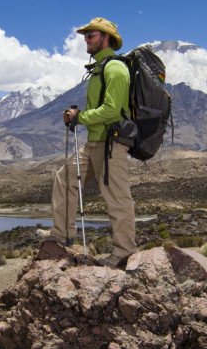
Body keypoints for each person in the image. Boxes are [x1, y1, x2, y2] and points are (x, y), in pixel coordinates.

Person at [37, 17, 136, 268]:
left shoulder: (115, 69)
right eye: (86, 35)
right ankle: (62, 233)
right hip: (94, 143)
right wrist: (79, 117)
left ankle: (124, 252)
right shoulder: (99, 70)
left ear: (105, 38)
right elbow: (101, 109)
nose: (86, 39)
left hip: (110, 145)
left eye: (90, 35)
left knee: (117, 198)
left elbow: (112, 110)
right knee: (65, 178)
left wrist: (80, 117)